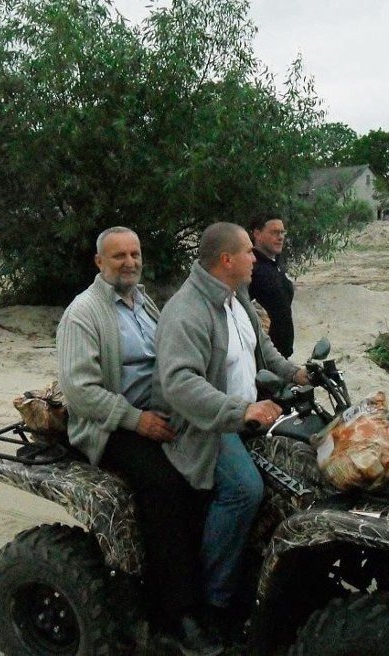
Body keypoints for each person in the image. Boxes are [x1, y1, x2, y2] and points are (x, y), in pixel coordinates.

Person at [56, 226, 223, 656]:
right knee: (169, 486)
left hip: (160, 414)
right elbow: (79, 390)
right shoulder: (84, 313)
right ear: (99, 263)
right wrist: (136, 420)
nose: (129, 262)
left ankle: (217, 588)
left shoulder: (142, 301)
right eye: (118, 256)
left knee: (216, 470)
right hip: (111, 425)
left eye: (134, 254)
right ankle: (175, 614)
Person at [152, 222, 309, 641]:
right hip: (203, 424)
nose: (255, 258)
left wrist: (296, 372)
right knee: (245, 489)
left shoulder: (235, 295)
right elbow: (180, 384)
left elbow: (263, 348)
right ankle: (215, 601)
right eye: (248, 252)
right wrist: (241, 410)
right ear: (226, 260)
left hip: (243, 414)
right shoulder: (187, 311)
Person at [248, 211, 295, 357]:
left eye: (282, 232)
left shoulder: (275, 267)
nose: (280, 237)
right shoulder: (249, 268)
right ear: (257, 234)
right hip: (261, 356)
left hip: (281, 357)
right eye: (274, 232)